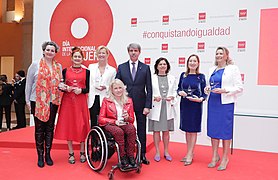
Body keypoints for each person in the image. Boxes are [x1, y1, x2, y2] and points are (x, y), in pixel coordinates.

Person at [204, 47, 243, 171]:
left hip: (226, 104)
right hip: (213, 103)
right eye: (217, 53)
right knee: (213, 131)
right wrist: (207, 89)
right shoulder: (211, 69)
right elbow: (209, 85)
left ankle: (225, 158)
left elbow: (239, 87)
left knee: (225, 132)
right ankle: (215, 156)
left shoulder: (233, 69)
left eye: (221, 53)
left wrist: (225, 90)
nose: (219, 55)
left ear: (226, 56)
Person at [25, 41, 63, 168]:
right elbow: (29, 84)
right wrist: (27, 101)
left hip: (53, 100)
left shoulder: (58, 66)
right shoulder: (35, 65)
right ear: (43, 50)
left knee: (50, 128)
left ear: (55, 53)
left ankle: (48, 154)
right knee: (39, 129)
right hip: (38, 101)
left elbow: (59, 83)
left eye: (52, 50)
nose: (50, 52)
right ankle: (40, 155)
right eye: (48, 49)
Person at [116, 43, 152, 165]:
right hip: (124, 104)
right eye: (131, 50)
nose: (133, 53)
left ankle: (142, 155)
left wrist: (148, 105)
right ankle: (126, 155)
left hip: (141, 104)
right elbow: (116, 85)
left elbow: (149, 88)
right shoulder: (121, 67)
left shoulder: (145, 68)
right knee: (126, 129)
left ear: (139, 52)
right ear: (128, 52)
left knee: (141, 129)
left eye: (135, 50)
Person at [55, 47, 90, 164]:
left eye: (79, 57)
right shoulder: (65, 71)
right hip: (68, 102)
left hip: (80, 102)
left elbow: (88, 88)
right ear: (71, 58)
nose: (77, 59)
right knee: (69, 125)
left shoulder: (87, 72)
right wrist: (66, 88)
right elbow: (61, 86)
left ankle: (82, 152)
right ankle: (70, 153)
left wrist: (81, 90)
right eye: (75, 56)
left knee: (82, 126)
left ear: (82, 59)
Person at [98, 79, 136, 168]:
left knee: (131, 129)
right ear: (112, 90)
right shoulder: (106, 101)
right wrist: (114, 122)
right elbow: (101, 119)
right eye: (115, 88)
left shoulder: (129, 101)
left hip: (124, 123)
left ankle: (130, 156)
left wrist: (127, 117)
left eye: (120, 88)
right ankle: (123, 157)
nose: (118, 90)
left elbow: (132, 120)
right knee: (119, 132)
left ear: (123, 89)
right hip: (110, 124)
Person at [177, 54, 207, 166]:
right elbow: (179, 88)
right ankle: (189, 152)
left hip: (195, 106)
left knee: (193, 130)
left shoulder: (201, 76)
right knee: (187, 130)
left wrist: (201, 99)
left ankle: (190, 153)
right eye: (190, 61)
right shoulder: (183, 75)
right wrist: (180, 92)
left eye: (195, 61)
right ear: (187, 63)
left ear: (198, 63)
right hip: (185, 105)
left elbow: (204, 92)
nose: (192, 63)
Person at [148, 57, 177, 162]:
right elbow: (147, 92)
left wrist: (173, 97)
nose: (162, 66)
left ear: (167, 66)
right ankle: (157, 152)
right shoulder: (152, 78)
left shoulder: (172, 78)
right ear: (156, 66)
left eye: (164, 64)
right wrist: (153, 98)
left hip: (167, 107)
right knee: (156, 131)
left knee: (166, 131)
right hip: (156, 107)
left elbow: (175, 91)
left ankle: (166, 151)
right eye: (160, 64)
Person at [88, 45, 116, 127]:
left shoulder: (112, 70)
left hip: (105, 98)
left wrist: (106, 87)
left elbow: (113, 85)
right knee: (93, 122)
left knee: (104, 122)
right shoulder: (91, 67)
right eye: (99, 53)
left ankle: (103, 140)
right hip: (93, 98)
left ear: (107, 55)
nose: (101, 55)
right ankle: (93, 139)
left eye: (103, 53)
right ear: (96, 55)